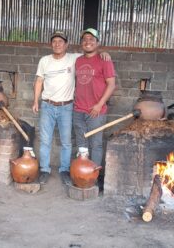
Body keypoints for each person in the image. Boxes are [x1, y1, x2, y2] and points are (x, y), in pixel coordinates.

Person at [32, 31, 110, 185]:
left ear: (66, 44)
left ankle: (65, 170)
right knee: (45, 140)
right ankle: (44, 170)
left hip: (66, 107)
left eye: (61, 41)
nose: (57, 44)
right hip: (47, 105)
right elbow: (39, 81)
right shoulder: (44, 61)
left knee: (66, 142)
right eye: (54, 41)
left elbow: (91, 53)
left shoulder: (74, 58)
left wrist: (104, 53)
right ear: (51, 44)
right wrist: (36, 101)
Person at [73, 28, 116, 171]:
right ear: (81, 43)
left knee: (96, 144)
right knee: (81, 144)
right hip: (78, 110)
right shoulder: (78, 60)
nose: (88, 42)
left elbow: (111, 84)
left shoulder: (104, 60)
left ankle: (95, 175)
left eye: (91, 39)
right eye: (85, 39)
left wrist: (99, 104)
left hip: (96, 111)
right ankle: (83, 174)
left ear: (98, 43)